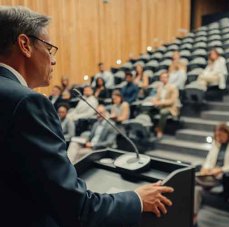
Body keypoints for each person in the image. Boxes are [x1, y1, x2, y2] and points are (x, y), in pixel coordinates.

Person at [0, 6, 173, 226]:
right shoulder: (27, 102)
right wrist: (137, 199)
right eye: (49, 48)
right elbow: (77, 210)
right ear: (25, 45)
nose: (53, 61)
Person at [194, 124, 229, 223]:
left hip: (223, 176)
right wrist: (205, 168)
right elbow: (209, 159)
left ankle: (193, 214)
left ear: (227, 134)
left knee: (193, 181)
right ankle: (193, 214)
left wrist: (221, 170)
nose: (218, 138)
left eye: (221, 135)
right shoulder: (216, 143)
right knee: (196, 188)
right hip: (210, 174)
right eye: (216, 136)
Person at [152, 71, 180, 139]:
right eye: (162, 77)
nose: (163, 79)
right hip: (160, 106)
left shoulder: (173, 87)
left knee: (163, 112)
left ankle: (160, 130)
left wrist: (160, 102)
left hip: (170, 107)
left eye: (165, 77)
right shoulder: (160, 87)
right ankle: (152, 129)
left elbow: (172, 101)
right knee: (149, 110)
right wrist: (154, 100)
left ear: (168, 78)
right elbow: (157, 97)